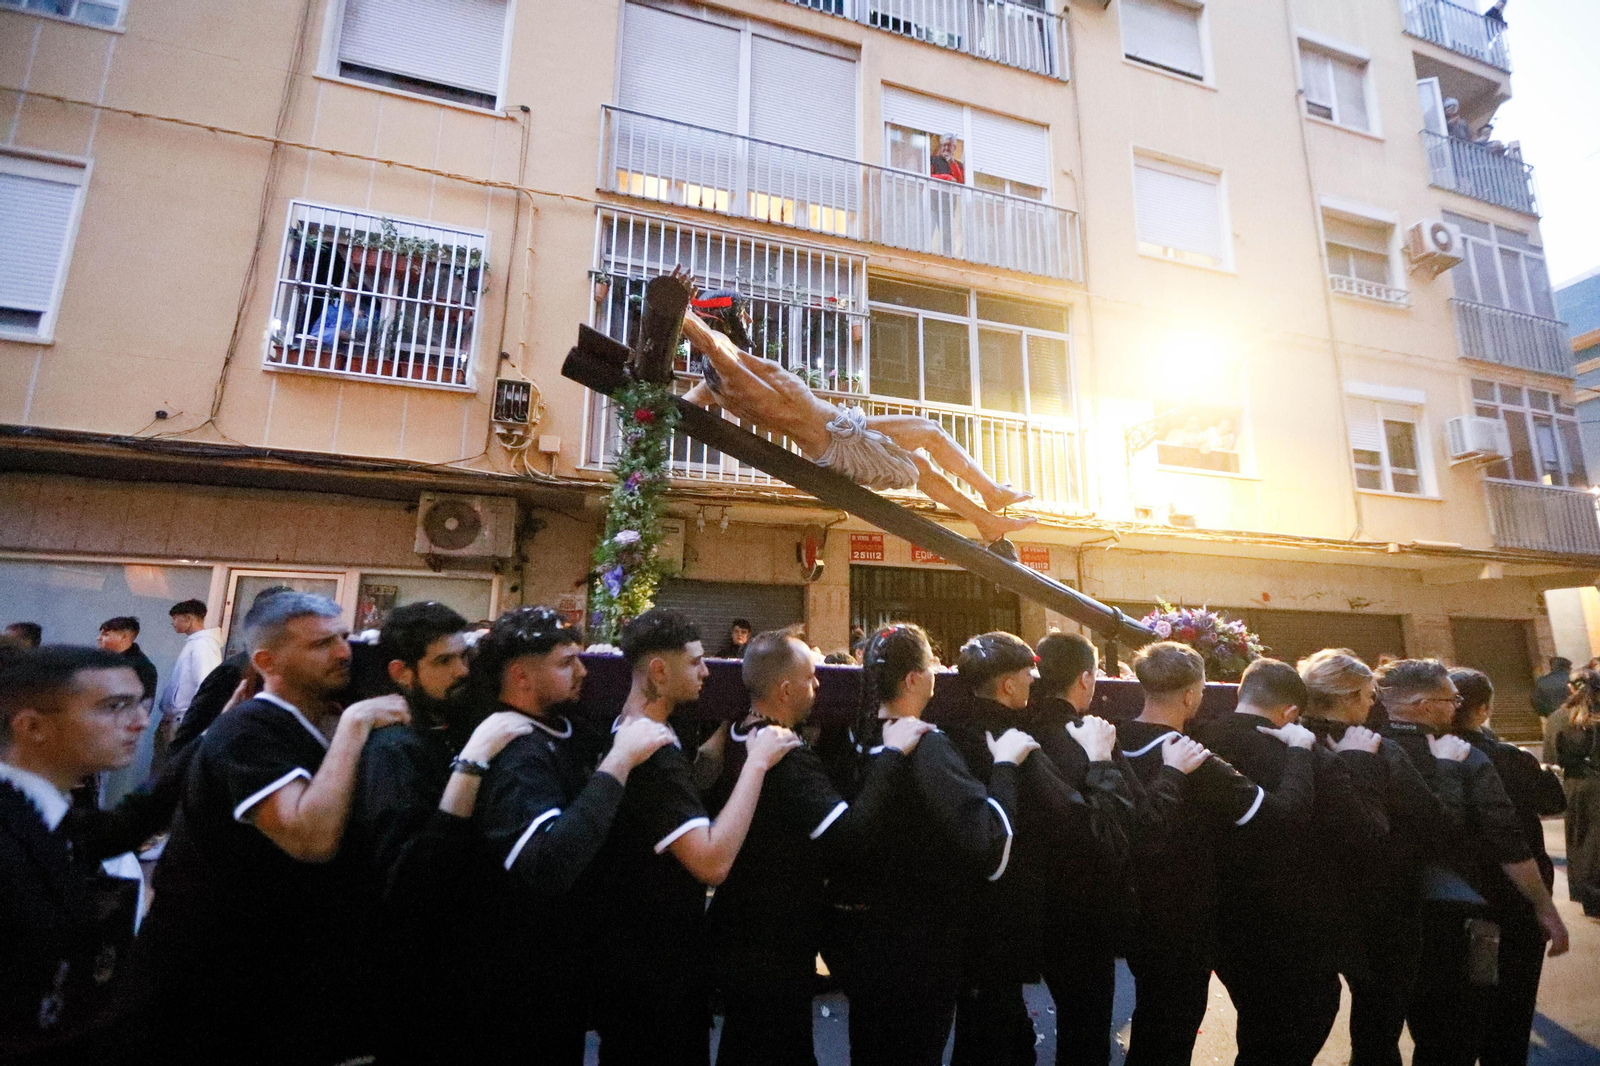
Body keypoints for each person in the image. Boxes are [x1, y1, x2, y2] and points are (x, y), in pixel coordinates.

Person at [133, 592, 411, 1064]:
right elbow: (310, 838)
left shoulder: (305, 725)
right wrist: (355, 724)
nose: (343, 652)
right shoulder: (251, 729)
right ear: (266, 661)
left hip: (274, 984)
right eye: (320, 644)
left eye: (343, 638)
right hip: (215, 991)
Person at [449, 607, 674, 1064]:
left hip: (567, 970)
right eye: (566, 662)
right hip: (523, 982)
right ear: (521, 676)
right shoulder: (514, 747)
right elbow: (549, 864)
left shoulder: (569, 726)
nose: (583, 671)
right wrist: (620, 760)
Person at [582, 608, 800, 1066]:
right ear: (659, 671)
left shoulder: (634, 728)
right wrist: (757, 762)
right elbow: (711, 862)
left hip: (638, 965)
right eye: (696, 662)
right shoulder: (653, 755)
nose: (707, 672)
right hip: (657, 980)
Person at [340, 602, 555, 1062]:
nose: (461, 670)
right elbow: (412, 882)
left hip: (471, 976)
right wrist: (472, 765)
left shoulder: (447, 723)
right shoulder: (394, 750)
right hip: (425, 989)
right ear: (402, 672)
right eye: (443, 661)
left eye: (464, 656)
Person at [708, 629, 933, 1066]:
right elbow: (848, 838)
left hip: (738, 928)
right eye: (811, 677)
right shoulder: (786, 758)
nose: (819, 685)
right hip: (775, 945)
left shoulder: (736, 733)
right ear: (785, 689)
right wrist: (891, 755)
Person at [825, 624, 1039, 1066]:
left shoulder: (852, 738)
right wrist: (1004, 765)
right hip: (920, 946)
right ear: (912, 679)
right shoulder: (926, 745)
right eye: (931, 665)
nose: (938, 671)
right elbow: (989, 845)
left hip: (859, 937)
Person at [678, 297, 1036, 547]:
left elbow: (679, 407)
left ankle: (986, 521)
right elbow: (711, 343)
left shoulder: (716, 388)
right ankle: (991, 494)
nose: (748, 325)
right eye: (743, 318)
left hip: (834, 442)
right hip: (842, 439)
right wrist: (679, 308)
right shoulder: (731, 365)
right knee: (931, 432)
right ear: (725, 322)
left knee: (922, 467)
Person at [1114, 642, 1311, 1066]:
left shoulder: (1110, 739)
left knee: (1151, 1027)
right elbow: (1282, 818)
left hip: (1124, 909)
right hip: (1180, 922)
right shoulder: (1191, 757)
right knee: (1168, 1037)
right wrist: (1299, 749)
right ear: (1190, 695)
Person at [938, 632, 1127, 1066]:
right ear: (1007, 685)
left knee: (988, 1030)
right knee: (1007, 1039)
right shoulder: (1016, 742)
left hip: (964, 909)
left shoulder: (948, 732)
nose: (1034, 683)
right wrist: (1100, 761)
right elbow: (1085, 824)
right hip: (1010, 913)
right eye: (1028, 675)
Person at [1193, 659, 1387, 1066]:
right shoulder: (1310, 756)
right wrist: (1360, 762)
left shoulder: (1197, 739)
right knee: (1298, 1024)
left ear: (1241, 693)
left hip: (1220, 917)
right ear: (1291, 712)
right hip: (1293, 926)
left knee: (1258, 1027)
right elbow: (1367, 833)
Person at [1373, 659, 1567, 1066]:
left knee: (1431, 1031)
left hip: (1400, 912)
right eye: (1451, 698)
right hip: (1488, 907)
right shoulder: (1480, 758)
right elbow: (1508, 837)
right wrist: (1544, 906)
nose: (1454, 705)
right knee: (1504, 1020)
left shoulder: (1367, 746)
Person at [0, 647, 148, 1064]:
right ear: (32, 726)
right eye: (114, 706)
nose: (140, 721)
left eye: (139, 704)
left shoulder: (61, 822)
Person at [1025, 631, 1148, 1066]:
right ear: (1085, 678)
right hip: (1084, 909)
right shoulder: (1090, 735)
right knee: (1086, 1029)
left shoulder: (1020, 728)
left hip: (1029, 899)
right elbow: (1126, 821)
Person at [1450, 667, 1568, 1066]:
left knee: (1455, 1016)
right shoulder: (1508, 758)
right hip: (1512, 899)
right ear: (1483, 710)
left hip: (1449, 902)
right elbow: (1551, 803)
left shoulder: (1417, 756)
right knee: (1510, 1012)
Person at [1555, 669, 1600, 917]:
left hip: (1577, 786)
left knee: (1582, 840)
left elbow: (1553, 757)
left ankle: (1588, 896)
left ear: (1570, 688)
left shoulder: (1559, 718)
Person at [155, 599, 222, 749]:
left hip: (183, 721)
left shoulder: (203, 645)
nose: (173, 623)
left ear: (188, 618)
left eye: (175, 618)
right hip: (176, 720)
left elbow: (206, 685)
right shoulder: (195, 643)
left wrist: (195, 723)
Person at [94, 619, 157, 703]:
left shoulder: (142, 668)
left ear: (123, 637)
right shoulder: (100, 660)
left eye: (106, 635)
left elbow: (143, 703)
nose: (98, 638)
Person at [1533, 656, 1571, 764]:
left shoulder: (1542, 682)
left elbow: (1536, 701)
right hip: (1573, 718)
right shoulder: (1572, 681)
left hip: (1550, 718)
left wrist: (1546, 714)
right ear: (1567, 667)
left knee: (1551, 749)